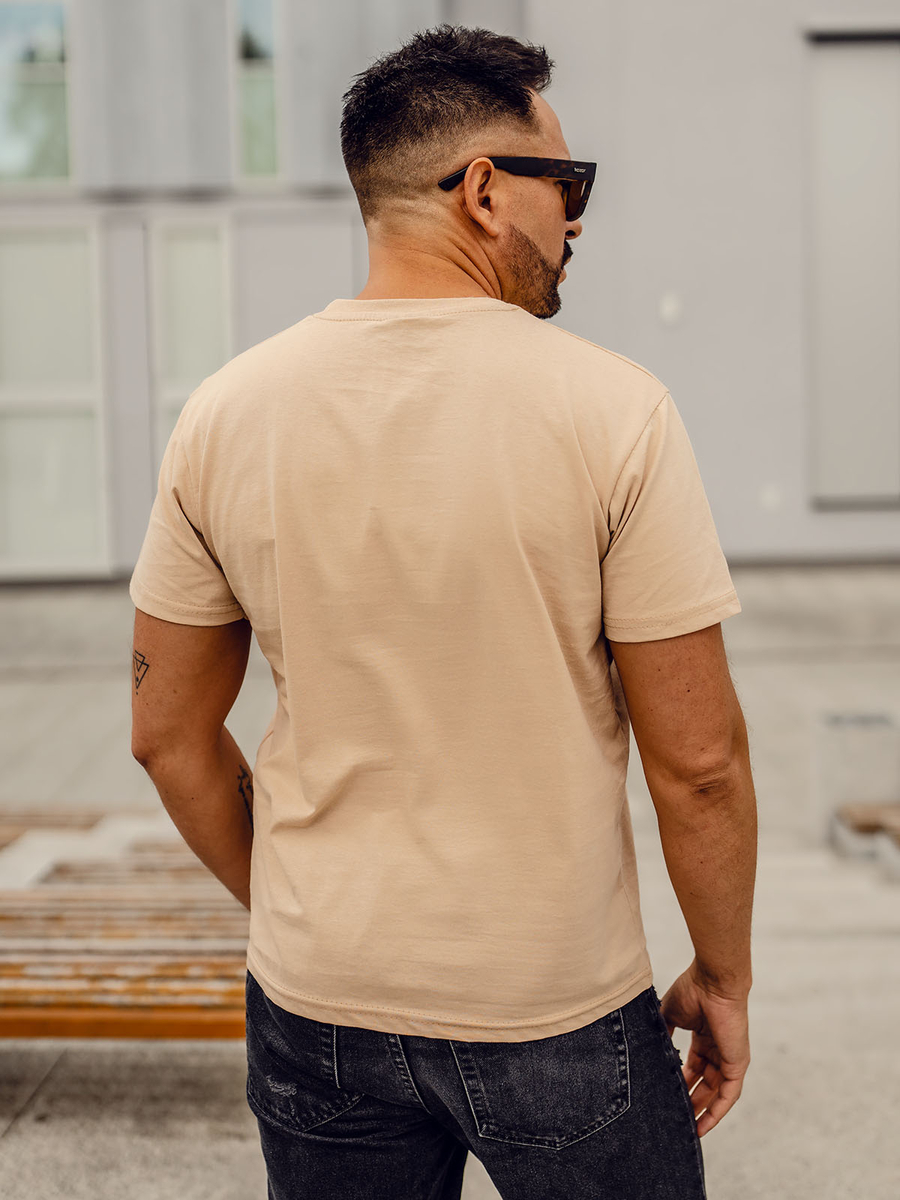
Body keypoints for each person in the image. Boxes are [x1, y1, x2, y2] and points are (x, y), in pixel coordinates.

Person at [130, 22, 757, 1200]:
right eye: (567, 186)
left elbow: (166, 734)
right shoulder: (614, 412)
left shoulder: (225, 413)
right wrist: (723, 975)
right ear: (481, 189)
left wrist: (305, 911)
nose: (577, 222)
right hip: (552, 1000)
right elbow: (701, 766)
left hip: (315, 1000)